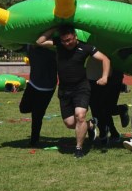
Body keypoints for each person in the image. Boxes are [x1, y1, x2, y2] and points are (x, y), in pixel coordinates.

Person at [36, 25, 110, 158]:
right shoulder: (59, 44)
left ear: (75, 36)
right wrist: (54, 28)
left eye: (69, 40)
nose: (67, 43)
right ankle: (91, 124)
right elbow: (39, 42)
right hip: (64, 90)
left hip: (81, 87)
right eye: (64, 41)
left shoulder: (85, 47)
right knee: (70, 123)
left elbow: (105, 59)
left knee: (80, 116)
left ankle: (79, 148)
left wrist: (104, 77)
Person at [18, 44, 58, 147]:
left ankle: (34, 140)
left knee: (37, 116)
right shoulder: (29, 47)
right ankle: (36, 109)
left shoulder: (53, 50)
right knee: (23, 108)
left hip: (47, 87)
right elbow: (14, 45)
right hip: (33, 83)